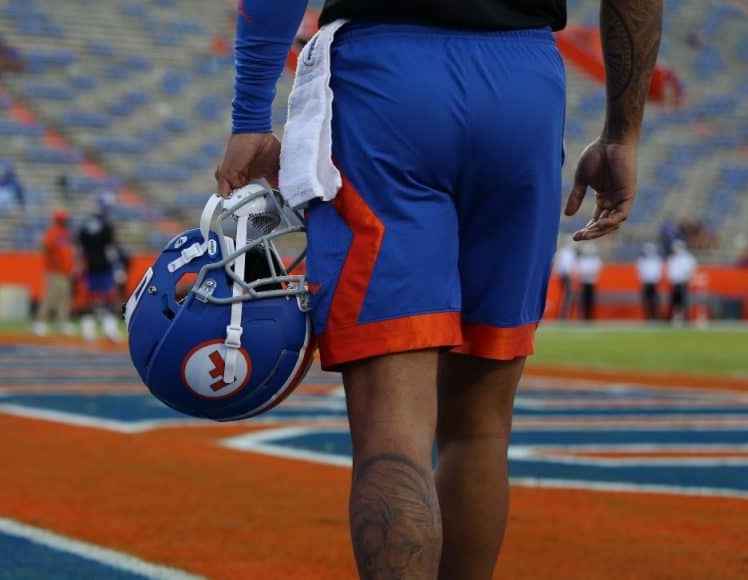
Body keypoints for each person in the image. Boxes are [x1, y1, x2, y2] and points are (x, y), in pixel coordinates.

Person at [215, 1, 662, 578]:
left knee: (392, 429)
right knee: (480, 424)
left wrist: (251, 114)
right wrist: (622, 133)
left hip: (386, 84)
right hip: (523, 86)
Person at [76, 200, 123, 342]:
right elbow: (111, 248)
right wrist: (118, 267)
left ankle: (88, 330)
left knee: (90, 298)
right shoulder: (107, 226)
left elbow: (80, 247)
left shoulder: (85, 226)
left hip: (90, 265)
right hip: (104, 266)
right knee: (110, 297)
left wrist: (79, 265)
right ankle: (109, 329)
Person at [33, 209, 75, 336]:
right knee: (51, 297)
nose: (65, 222)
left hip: (66, 271)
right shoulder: (53, 232)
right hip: (55, 272)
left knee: (64, 298)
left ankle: (62, 323)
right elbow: (45, 246)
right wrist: (53, 262)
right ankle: (39, 322)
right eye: (63, 220)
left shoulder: (66, 233)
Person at [666, 239, 696, 324]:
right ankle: (672, 318)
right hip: (674, 282)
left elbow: (691, 269)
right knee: (674, 302)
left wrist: (687, 277)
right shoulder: (672, 258)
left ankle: (686, 318)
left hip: (683, 282)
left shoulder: (687, 257)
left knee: (684, 301)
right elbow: (670, 271)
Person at [636, 242, 663, 320]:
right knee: (646, 301)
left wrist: (655, 279)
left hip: (654, 283)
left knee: (655, 301)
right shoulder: (641, 261)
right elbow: (640, 272)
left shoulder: (657, 260)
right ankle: (648, 317)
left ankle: (656, 316)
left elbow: (658, 272)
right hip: (646, 283)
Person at [577, 242, 603, 321]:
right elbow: (581, 270)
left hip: (592, 282)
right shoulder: (582, 259)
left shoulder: (596, 259)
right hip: (584, 282)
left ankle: (590, 316)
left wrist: (589, 273)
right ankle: (583, 316)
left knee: (590, 300)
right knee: (583, 300)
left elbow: (598, 269)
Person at [554, 241, 577, 319]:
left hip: (564, 275)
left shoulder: (563, 252)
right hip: (566, 275)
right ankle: (564, 313)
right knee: (567, 294)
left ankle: (564, 313)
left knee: (567, 294)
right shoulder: (567, 253)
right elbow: (566, 266)